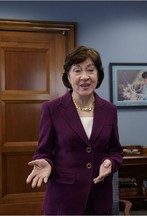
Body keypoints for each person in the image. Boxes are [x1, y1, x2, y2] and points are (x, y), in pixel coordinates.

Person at [26, 46, 123, 215]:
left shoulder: (109, 110)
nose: (84, 77)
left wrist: (111, 163)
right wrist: (45, 162)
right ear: (68, 76)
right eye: (77, 70)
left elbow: (115, 151)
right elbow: (43, 151)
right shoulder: (52, 109)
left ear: (98, 75)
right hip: (64, 199)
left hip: (99, 198)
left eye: (90, 70)